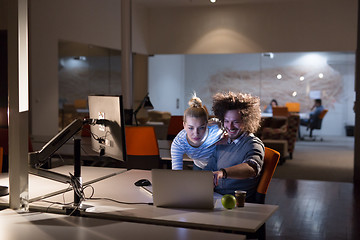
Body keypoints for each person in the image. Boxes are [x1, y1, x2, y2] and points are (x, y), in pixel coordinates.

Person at [204, 91, 264, 202]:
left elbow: (252, 168)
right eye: (226, 121)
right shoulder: (222, 143)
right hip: (215, 197)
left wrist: (223, 173)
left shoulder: (253, 144)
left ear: (247, 121)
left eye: (236, 122)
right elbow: (208, 170)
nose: (230, 126)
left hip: (237, 202)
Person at [171, 95, 225, 170]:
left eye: (201, 127)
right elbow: (176, 171)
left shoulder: (216, 128)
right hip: (200, 166)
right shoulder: (179, 142)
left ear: (206, 124)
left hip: (221, 166)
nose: (196, 133)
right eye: (190, 128)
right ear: (184, 125)